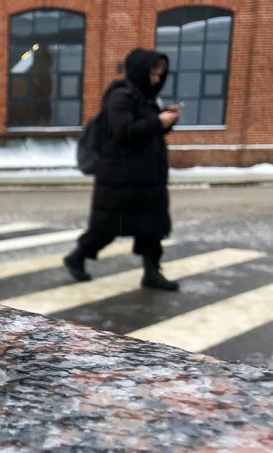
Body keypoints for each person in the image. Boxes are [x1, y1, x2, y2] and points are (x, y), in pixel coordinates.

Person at [64, 48, 181, 291]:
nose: (156, 79)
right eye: (152, 74)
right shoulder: (120, 97)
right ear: (140, 71)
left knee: (152, 228)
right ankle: (77, 256)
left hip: (148, 180)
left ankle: (152, 273)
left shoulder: (146, 99)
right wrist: (157, 121)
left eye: (160, 75)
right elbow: (124, 131)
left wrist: (167, 122)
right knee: (106, 229)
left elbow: (148, 133)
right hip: (120, 180)